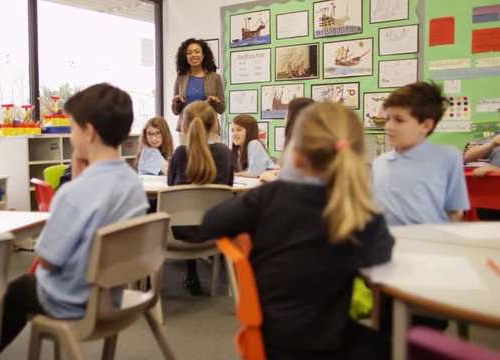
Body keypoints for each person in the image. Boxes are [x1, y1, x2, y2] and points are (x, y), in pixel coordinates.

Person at [201, 102, 394, 359]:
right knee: (389, 345)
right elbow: (381, 255)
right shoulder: (360, 213)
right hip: (331, 343)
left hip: (270, 343)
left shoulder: (269, 197)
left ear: (297, 154)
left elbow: (211, 222)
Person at [0, 83, 149, 353]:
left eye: (71, 128)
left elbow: (48, 259)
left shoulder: (74, 194)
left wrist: (75, 186)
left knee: (16, 291)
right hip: (111, 294)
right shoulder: (133, 183)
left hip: (72, 300)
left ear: (88, 132)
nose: (69, 136)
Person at [372, 81, 469, 226]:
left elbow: (454, 213)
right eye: (388, 119)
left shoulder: (447, 157)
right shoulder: (380, 162)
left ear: (425, 125)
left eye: (399, 120)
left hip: (431, 243)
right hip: (388, 244)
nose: (389, 126)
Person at [167, 100, 233, 296]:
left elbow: (172, 190)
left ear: (184, 127)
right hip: (215, 231)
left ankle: (191, 272)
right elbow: (228, 188)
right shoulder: (225, 153)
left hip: (178, 235)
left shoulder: (179, 153)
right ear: (214, 125)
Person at [172, 38, 225, 142]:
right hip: (186, 130)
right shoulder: (180, 78)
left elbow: (222, 108)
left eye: (197, 51)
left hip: (210, 129)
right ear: (185, 57)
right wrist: (177, 102)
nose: (193, 55)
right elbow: (175, 111)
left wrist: (213, 102)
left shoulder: (215, 78)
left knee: (211, 158)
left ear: (203, 55)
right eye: (189, 53)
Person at [259, 97, 314, 182]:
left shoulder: (299, 144)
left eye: (287, 112)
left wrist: (268, 176)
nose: (285, 116)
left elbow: (291, 183)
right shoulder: (311, 140)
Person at [462, 134, 500, 219]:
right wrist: (491, 145)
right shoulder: (497, 142)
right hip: (491, 198)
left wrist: (495, 171)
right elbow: (467, 157)